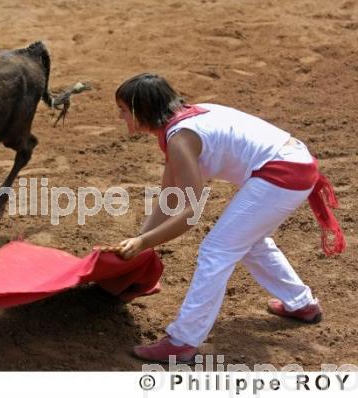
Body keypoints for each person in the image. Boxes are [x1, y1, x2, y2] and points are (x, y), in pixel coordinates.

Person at [101, 73, 346, 363]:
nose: (120, 117)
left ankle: (182, 341)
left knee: (217, 250)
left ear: (142, 111)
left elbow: (189, 213)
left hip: (283, 174)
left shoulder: (180, 140)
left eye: (124, 111)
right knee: (248, 240)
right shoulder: (178, 127)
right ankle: (301, 303)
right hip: (293, 164)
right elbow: (170, 199)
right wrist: (139, 243)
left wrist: (142, 242)